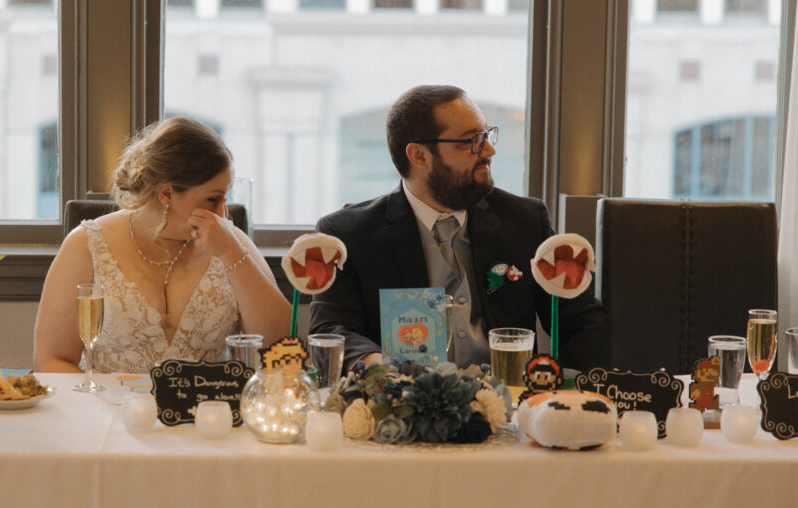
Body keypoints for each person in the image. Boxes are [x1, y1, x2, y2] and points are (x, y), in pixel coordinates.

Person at [309, 85, 610, 372]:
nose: (489, 149)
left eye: (487, 135)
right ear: (419, 156)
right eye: (471, 141)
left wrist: (562, 392)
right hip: (406, 407)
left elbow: (582, 320)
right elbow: (333, 330)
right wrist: (379, 369)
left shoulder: (525, 220)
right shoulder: (349, 234)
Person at [34, 117, 291, 373]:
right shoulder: (86, 245)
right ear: (167, 194)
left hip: (209, 410)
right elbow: (52, 359)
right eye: (213, 199)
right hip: (109, 410)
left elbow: (278, 344)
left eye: (226, 197)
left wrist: (231, 252)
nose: (223, 214)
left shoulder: (231, 242)